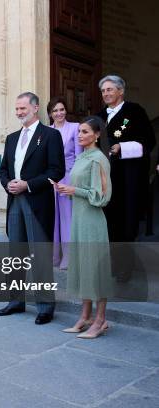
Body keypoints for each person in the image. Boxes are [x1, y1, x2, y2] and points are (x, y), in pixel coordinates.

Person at [0, 92, 65, 325]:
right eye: (16, 109)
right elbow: (3, 169)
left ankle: (45, 306)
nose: (19, 113)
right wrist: (8, 184)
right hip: (14, 201)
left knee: (40, 256)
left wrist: (28, 184)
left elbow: (57, 171)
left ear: (35, 108)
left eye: (23, 109)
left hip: (37, 202)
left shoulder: (51, 135)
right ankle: (16, 301)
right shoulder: (12, 138)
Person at [56, 116, 113, 338]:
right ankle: (85, 316)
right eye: (79, 131)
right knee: (83, 268)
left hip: (92, 221)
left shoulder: (99, 159)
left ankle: (100, 320)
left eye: (86, 132)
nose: (80, 135)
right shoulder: (82, 158)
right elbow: (81, 188)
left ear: (97, 135)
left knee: (95, 270)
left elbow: (102, 196)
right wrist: (67, 189)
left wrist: (73, 191)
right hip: (79, 219)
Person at [97, 75, 155, 281]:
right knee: (108, 223)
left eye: (110, 90)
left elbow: (149, 141)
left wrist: (123, 147)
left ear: (121, 91)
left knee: (126, 223)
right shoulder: (99, 115)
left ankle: (125, 268)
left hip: (128, 177)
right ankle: (112, 264)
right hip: (105, 176)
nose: (106, 94)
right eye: (103, 91)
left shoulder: (134, 111)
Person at [47, 97, 82, 269]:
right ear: (50, 114)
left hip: (69, 177)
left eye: (61, 109)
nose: (59, 113)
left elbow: (79, 156)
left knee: (68, 219)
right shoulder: (46, 131)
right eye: (55, 111)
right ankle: (54, 257)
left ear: (66, 111)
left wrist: (75, 182)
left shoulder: (75, 128)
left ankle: (68, 258)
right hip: (50, 179)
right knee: (52, 219)